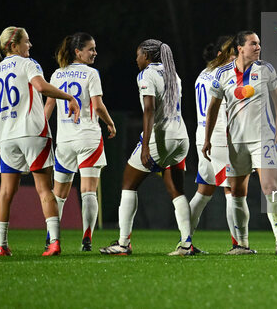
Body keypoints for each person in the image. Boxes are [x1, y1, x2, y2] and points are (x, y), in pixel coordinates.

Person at [0, 26, 80, 256]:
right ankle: (54, 243)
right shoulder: (28, 63)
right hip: (34, 133)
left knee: (5, 192)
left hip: (7, 138)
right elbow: (40, 86)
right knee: (45, 190)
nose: (30, 45)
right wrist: (69, 96)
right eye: (27, 41)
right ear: (13, 46)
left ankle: (1, 246)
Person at [100, 39, 192, 256]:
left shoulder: (146, 75)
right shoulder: (173, 74)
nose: (136, 59)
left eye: (138, 55)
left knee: (128, 184)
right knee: (177, 190)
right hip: (181, 138)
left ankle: (123, 243)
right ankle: (186, 243)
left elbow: (149, 109)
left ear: (147, 57)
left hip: (161, 138)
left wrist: (145, 147)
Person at [202, 31, 277, 255]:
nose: (258, 47)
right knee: (238, 192)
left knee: (270, 187)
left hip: (263, 138)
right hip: (236, 142)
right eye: (253, 43)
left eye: (259, 43)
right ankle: (242, 244)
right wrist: (207, 138)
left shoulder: (266, 69)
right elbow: (212, 109)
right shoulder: (222, 74)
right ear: (240, 48)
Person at [44, 32, 116, 251]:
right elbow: (98, 106)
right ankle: (87, 237)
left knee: (59, 193)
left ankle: (52, 237)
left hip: (64, 140)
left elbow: (48, 107)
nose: (95, 53)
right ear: (78, 51)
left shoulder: (57, 74)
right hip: (88, 137)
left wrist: (40, 131)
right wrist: (111, 123)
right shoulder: (91, 74)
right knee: (88, 191)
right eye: (91, 49)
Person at [188, 36, 239, 253]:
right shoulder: (224, 75)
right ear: (221, 55)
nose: (237, 58)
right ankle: (239, 243)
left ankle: (185, 240)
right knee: (232, 190)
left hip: (203, 136)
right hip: (219, 137)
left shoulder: (202, 74)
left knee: (203, 192)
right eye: (233, 54)